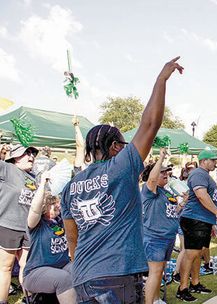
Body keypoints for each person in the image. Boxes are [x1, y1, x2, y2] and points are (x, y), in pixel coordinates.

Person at [61, 57, 184, 303]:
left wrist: (84, 266)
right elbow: (150, 124)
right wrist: (161, 79)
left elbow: (71, 237)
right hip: (116, 275)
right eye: (124, 145)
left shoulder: (69, 187)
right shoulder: (121, 167)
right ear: (116, 146)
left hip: (83, 276)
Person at [176, 149, 217, 302]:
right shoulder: (198, 174)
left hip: (202, 220)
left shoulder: (204, 175)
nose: (215, 163)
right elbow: (201, 195)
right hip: (194, 219)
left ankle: (195, 283)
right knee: (191, 254)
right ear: (204, 161)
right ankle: (182, 288)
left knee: (199, 253)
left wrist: (211, 222)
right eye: (213, 160)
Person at [23, 171, 76, 303]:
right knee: (64, 279)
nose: (56, 205)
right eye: (51, 204)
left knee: (83, 268)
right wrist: (42, 184)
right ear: (43, 207)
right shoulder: (37, 225)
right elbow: (34, 209)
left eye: (56, 202)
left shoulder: (61, 220)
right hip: (35, 273)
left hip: (62, 266)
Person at [0, 144, 38, 303]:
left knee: (27, 266)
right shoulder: (7, 168)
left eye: (33, 153)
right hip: (8, 225)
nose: (31, 156)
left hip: (28, 229)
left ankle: (28, 299)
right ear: (15, 157)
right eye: (27, 153)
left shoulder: (34, 177)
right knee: (5, 267)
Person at [141, 148, 180, 304]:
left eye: (167, 172)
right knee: (155, 272)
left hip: (168, 237)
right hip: (155, 238)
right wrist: (161, 158)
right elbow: (151, 180)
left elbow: (171, 211)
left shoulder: (165, 191)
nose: (166, 174)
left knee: (160, 271)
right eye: (162, 172)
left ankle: (156, 299)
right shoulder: (149, 190)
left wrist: (182, 204)